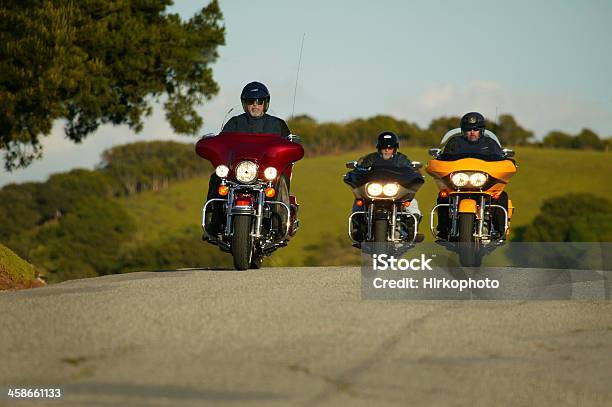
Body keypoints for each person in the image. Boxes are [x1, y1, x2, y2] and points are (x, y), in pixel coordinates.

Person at [205, 81, 292, 238]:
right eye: (250, 102)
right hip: (238, 172)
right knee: (216, 177)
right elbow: (221, 143)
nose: (255, 106)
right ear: (244, 104)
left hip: (264, 173)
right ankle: (214, 221)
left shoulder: (277, 124)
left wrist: (294, 144)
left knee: (281, 178)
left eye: (259, 102)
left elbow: (289, 143)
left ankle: (280, 223)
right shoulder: (235, 123)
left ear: (265, 103)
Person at [436, 112, 509, 240]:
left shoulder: (490, 143)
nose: (472, 132)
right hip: (458, 183)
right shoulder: (454, 142)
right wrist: (437, 160)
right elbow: (443, 158)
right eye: (468, 129)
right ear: (463, 131)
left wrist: (507, 161)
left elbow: (501, 159)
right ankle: (443, 229)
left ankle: (499, 230)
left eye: (476, 129)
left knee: (501, 195)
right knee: (443, 195)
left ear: (481, 130)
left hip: (484, 183)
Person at [351, 131, 422, 241]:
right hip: (374, 191)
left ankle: (412, 230)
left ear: (395, 148)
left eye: (390, 147)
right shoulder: (371, 158)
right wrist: (356, 171)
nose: (387, 150)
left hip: (395, 192)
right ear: (379, 148)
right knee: (358, 201)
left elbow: (411, 171)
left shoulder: (402, 159)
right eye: (384, 147)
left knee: (412, 202)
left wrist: (415, 171)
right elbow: (359, 170)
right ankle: (358, 229)